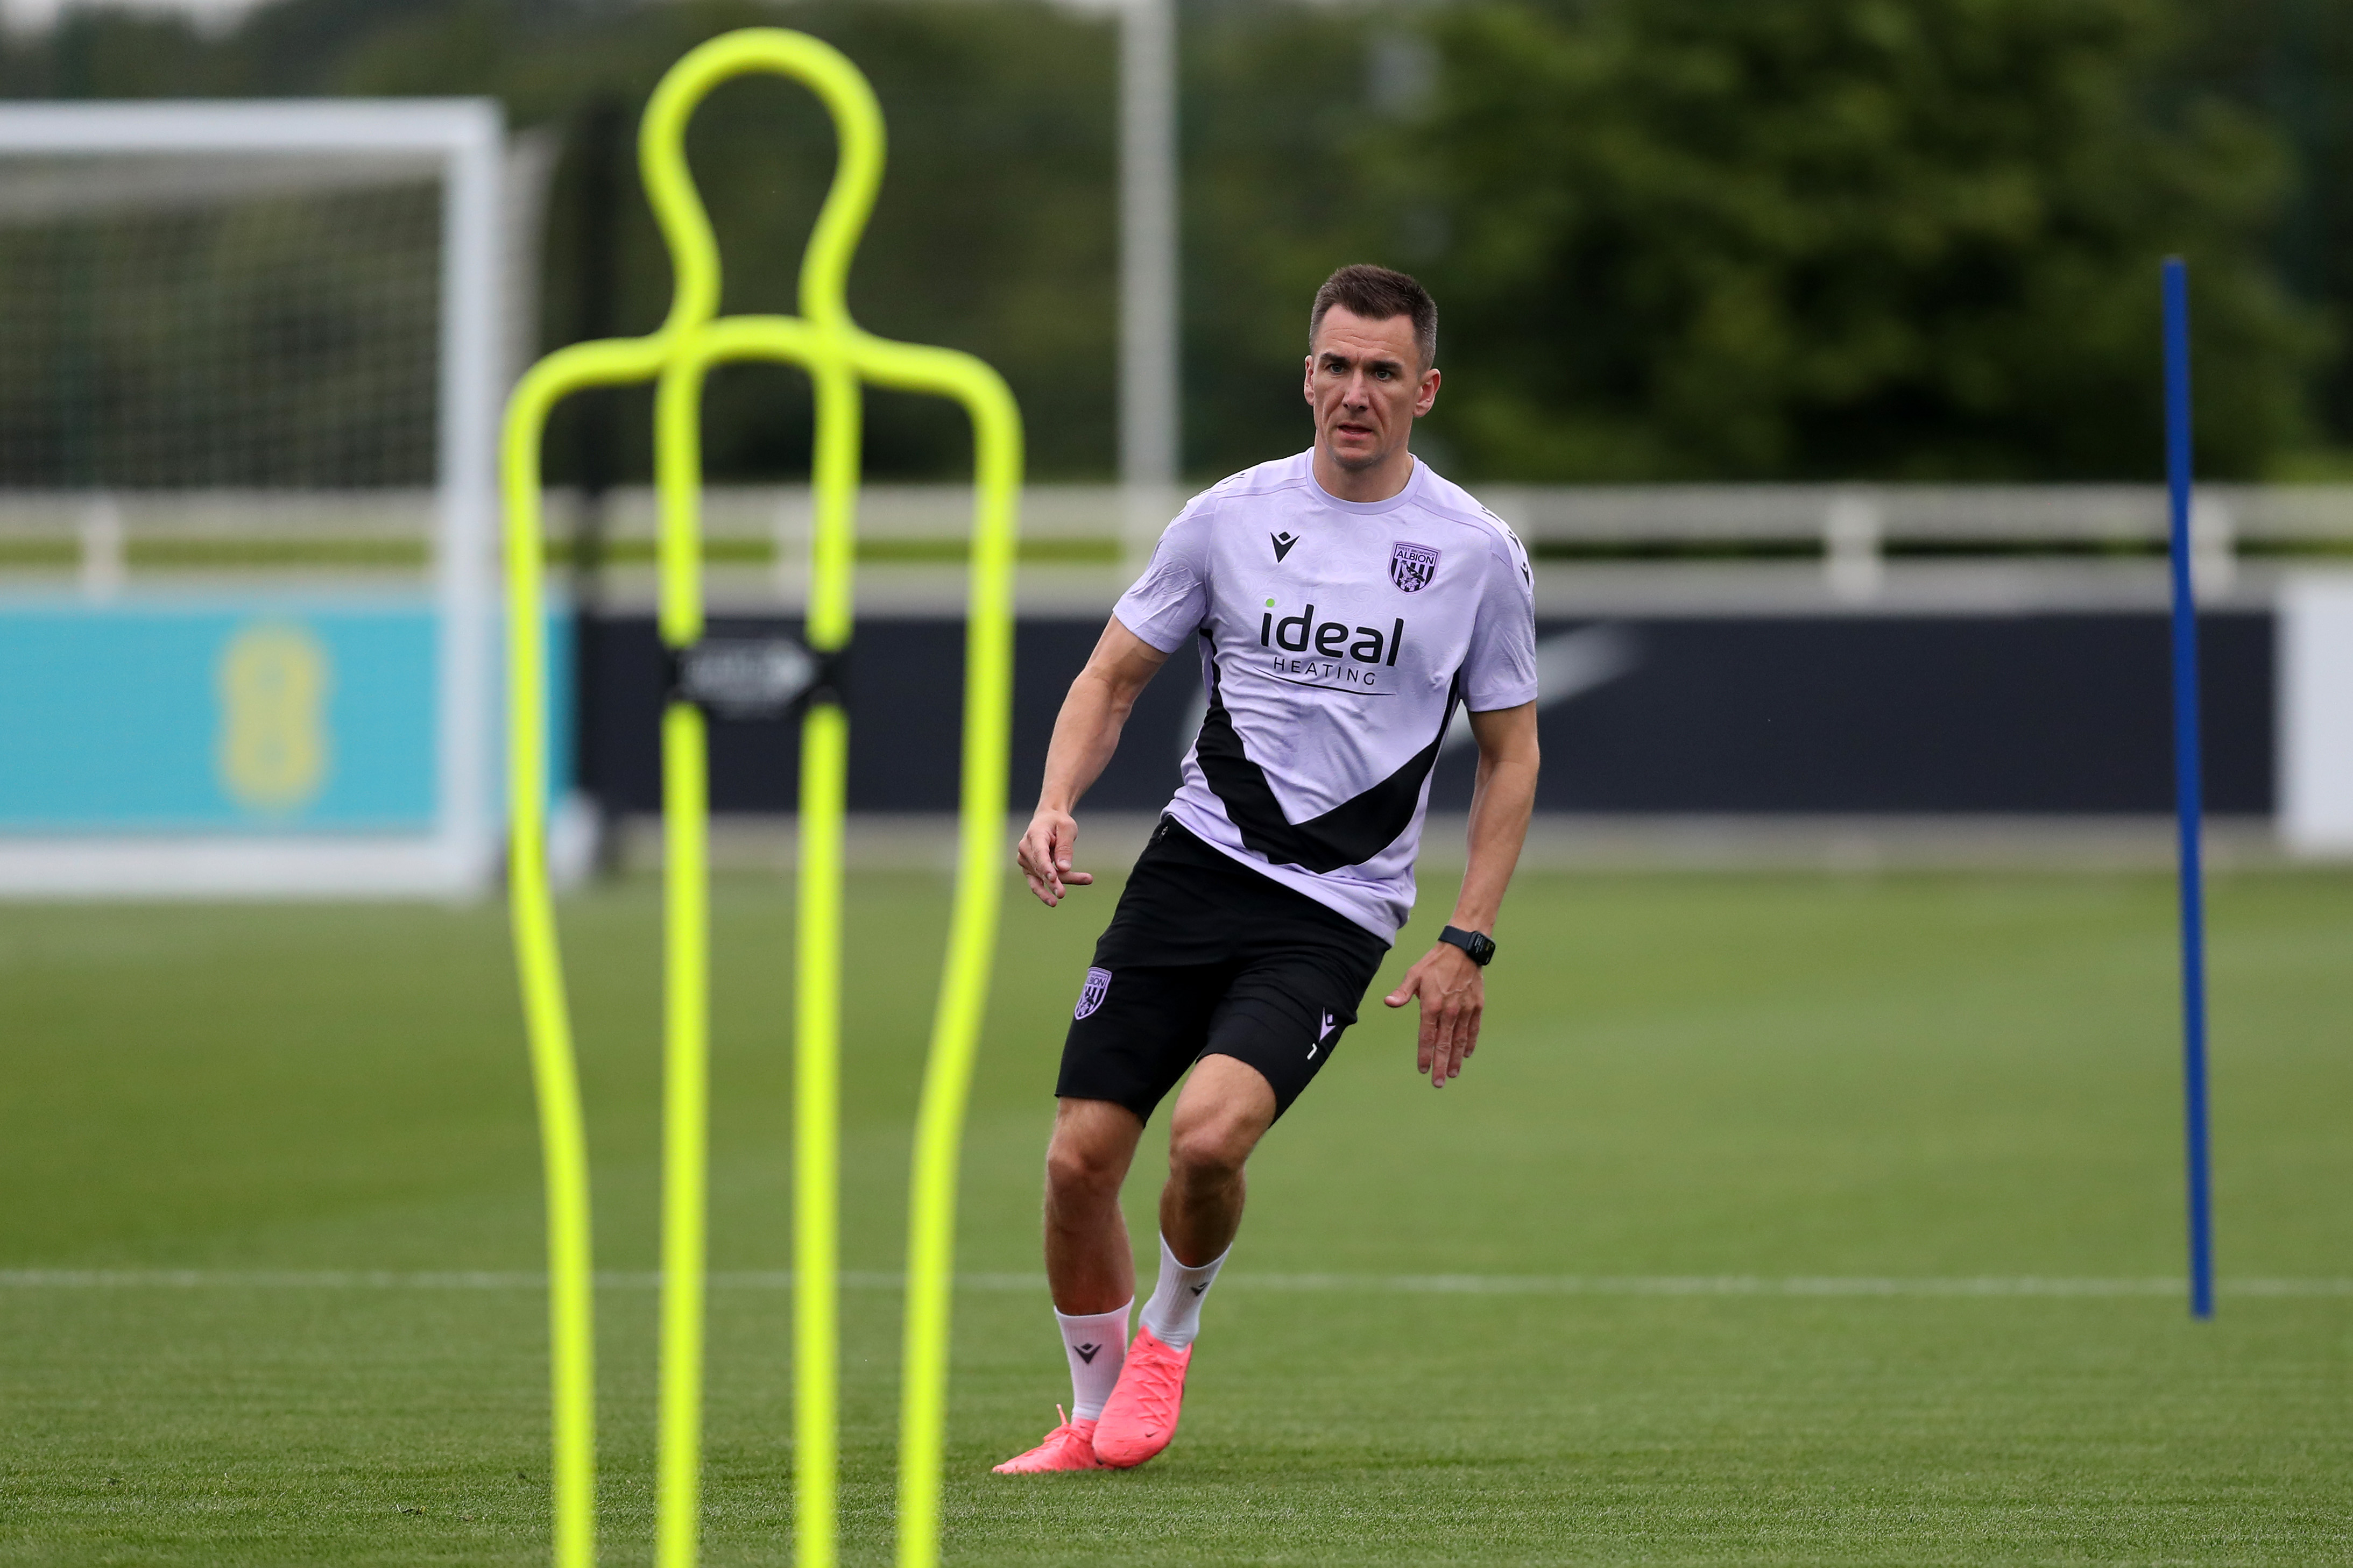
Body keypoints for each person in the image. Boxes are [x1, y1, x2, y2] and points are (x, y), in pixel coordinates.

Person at [992, 264, 1541, 1474]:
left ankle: (1170, 1335)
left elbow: (1511, 753)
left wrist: (1468, 937)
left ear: (1426, 390)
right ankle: (1085, 1421)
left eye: (1383, 372)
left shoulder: (1475, 553)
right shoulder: (1227, 517)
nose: (1356, 392)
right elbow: (1111, 678)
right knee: (1080, 1159)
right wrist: (1054, 802)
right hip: (1194, 869)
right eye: (1336, 366)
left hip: (1336, 907)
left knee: (1207, 1139)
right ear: (1307, 375)